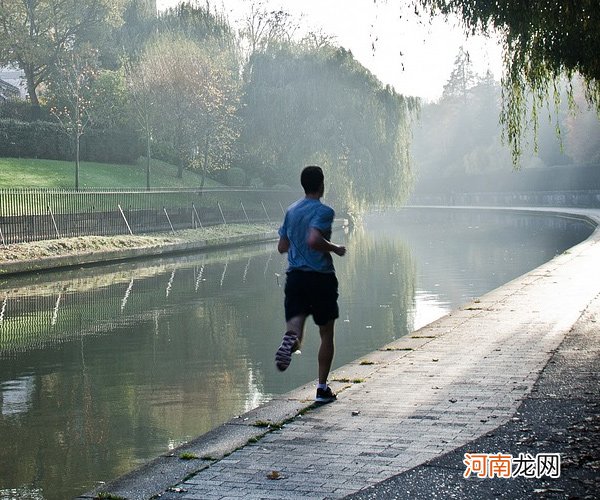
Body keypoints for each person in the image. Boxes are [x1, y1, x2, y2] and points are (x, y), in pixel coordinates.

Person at [275, 165, 346, 404]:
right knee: (326, 334)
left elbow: (282, 247)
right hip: (320, 278)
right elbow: (315, 239)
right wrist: (335, 248)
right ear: (321, 184)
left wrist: (297, 245)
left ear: (303, 185)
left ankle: (290, 341)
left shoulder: (291, 211)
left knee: (294, 333)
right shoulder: (324, 211)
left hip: (295, 278)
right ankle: (322, 388)